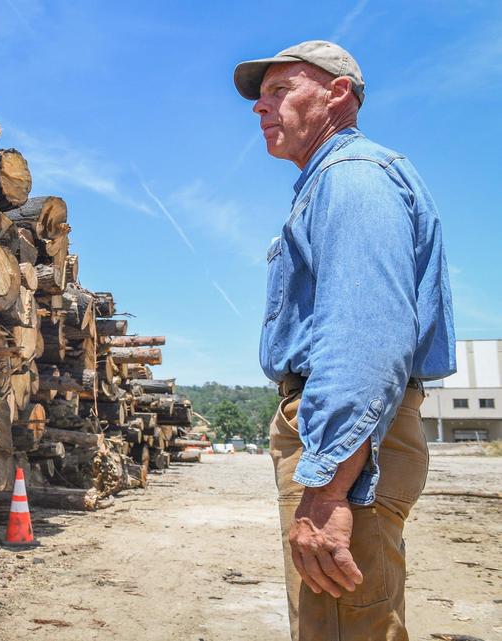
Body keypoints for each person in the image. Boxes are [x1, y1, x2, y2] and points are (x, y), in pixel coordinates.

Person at [232, 40, 456, 640]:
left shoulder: (351, 178)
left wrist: (329, 485)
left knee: (337, 625)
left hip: (347, 439)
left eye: (282, 90)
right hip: (350, 434)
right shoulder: (334, 180)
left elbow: (366, 337)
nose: (262, 107)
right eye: (261, 97)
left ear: (338, 94)